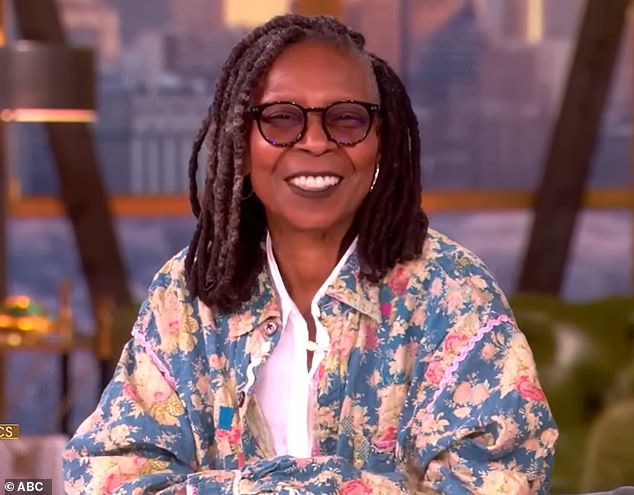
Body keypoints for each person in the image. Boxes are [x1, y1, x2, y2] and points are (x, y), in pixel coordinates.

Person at [63, 14, 557, 495]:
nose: (316, 142)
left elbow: (502, 483)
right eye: (281, 119)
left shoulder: (454, 293)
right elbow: (109, 474)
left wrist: (302, 488)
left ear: (381, 142)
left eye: (346, 119)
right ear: (240, 142)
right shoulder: (188, 295)